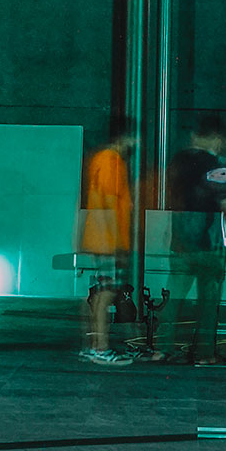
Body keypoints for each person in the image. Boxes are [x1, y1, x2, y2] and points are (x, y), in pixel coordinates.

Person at [151, 113, 226, 363]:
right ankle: (204, 353)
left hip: (180, 241)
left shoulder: (177, 161)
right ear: (216, 138)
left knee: (173, 298)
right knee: (208, 302)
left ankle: (163, 348)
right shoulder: (217, 165)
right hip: (209, 244)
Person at [77, 118, 136, 366]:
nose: (136, 143)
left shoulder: (101, 159)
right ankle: (100, 348)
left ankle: (95, 346)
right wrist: (118, 241)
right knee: (106, 293)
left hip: (101, 238)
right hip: (108, 240)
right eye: (134, 137)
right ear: (125, 137)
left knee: (102, 293)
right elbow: (111, 202)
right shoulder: (112, 161)